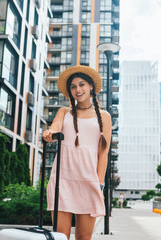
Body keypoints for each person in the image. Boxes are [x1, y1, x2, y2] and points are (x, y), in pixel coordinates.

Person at [42, 65, 112, 240]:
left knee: (83, 237)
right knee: (60, 237)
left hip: (89, 182)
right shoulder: (64, 112)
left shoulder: (104, 117)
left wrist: (99, 184)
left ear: (90, 87)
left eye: (81, 84)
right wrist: (49, 134)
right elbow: (54, 128)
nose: (77, 89)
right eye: (73, 87)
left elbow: (103, 153)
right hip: (62, 181)